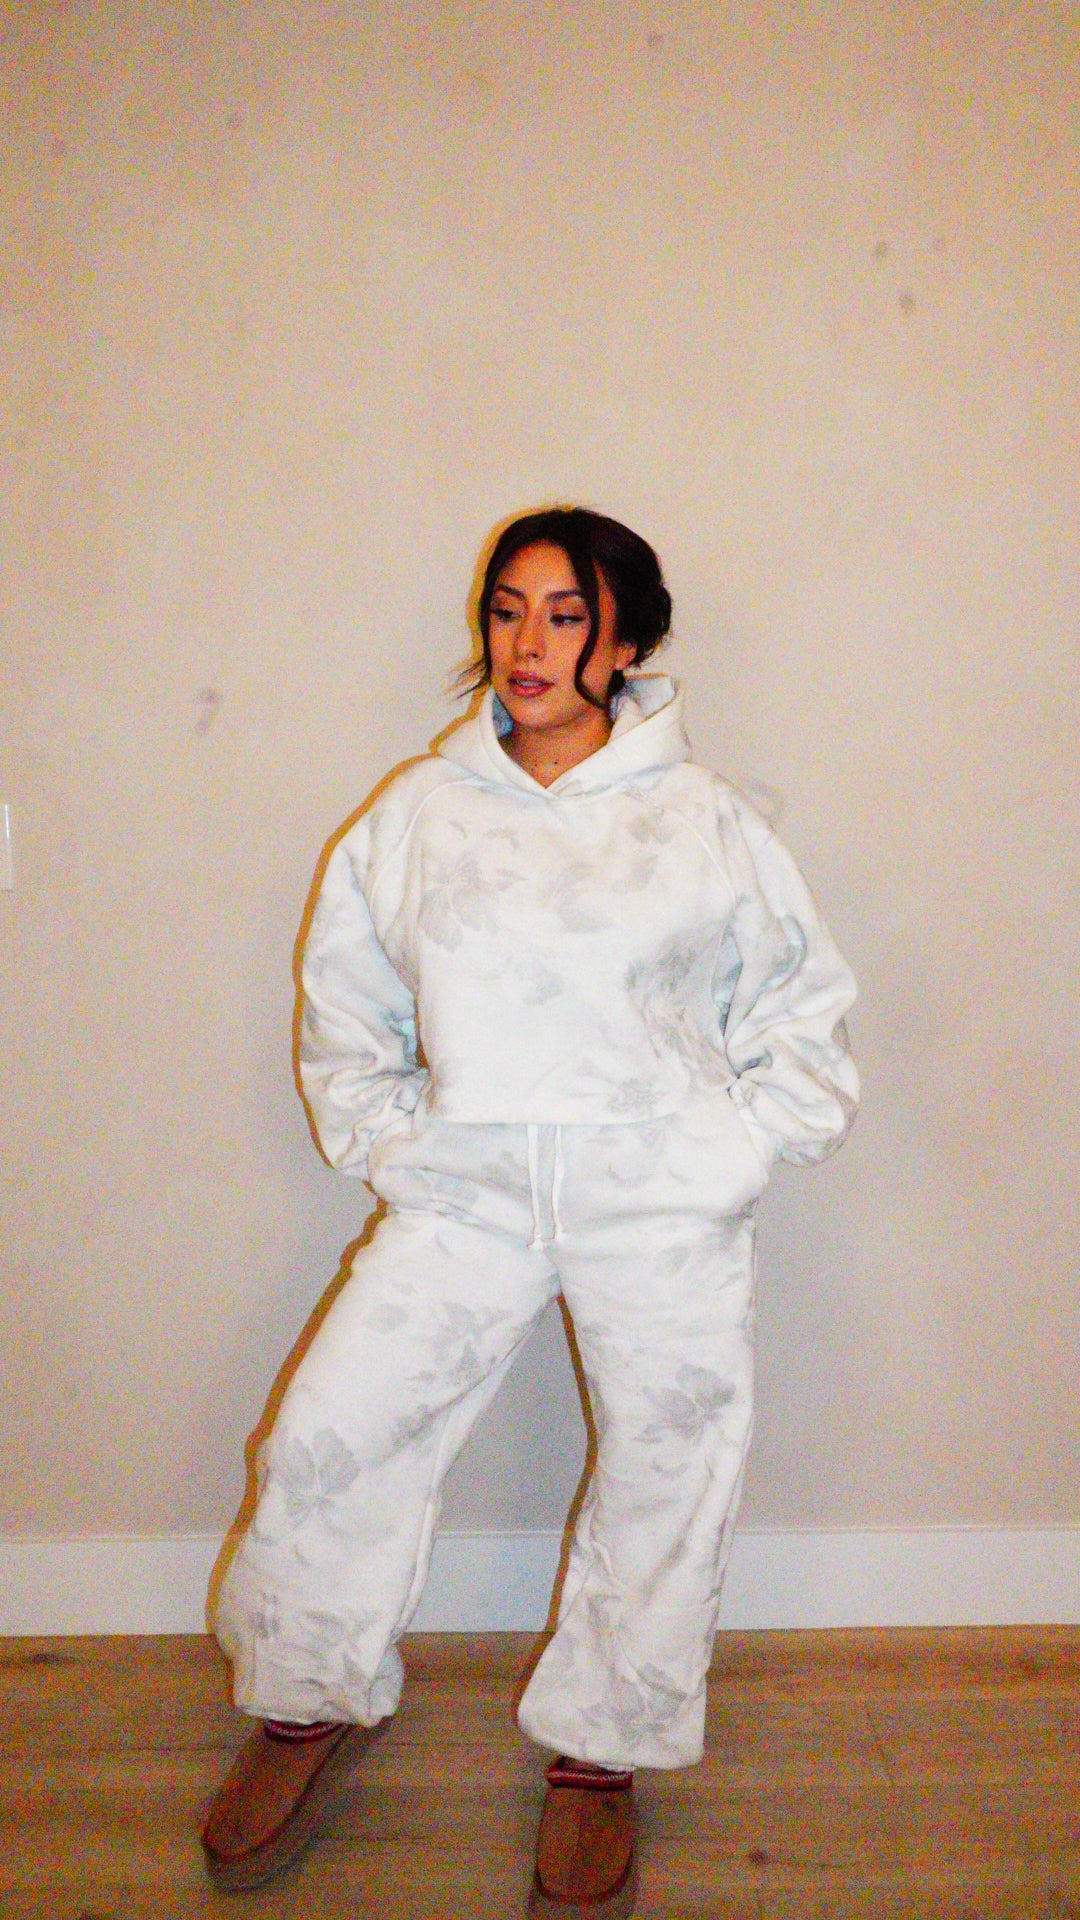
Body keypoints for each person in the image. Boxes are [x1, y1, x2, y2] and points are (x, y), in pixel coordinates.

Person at [201, 507, 859, 1914]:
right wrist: (398, 1144)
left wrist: (731, 1154)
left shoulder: (705, 820)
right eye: (508, 609)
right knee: (330, 1435)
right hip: (471, 1196)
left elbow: (800, 1012)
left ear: (626, 640)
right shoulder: (419, 814)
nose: (528, 642)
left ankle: (603, 1752)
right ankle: (306, 1701)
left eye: (566, 614)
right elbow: (345, 1007)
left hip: (657, 1203)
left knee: (669, 1473)